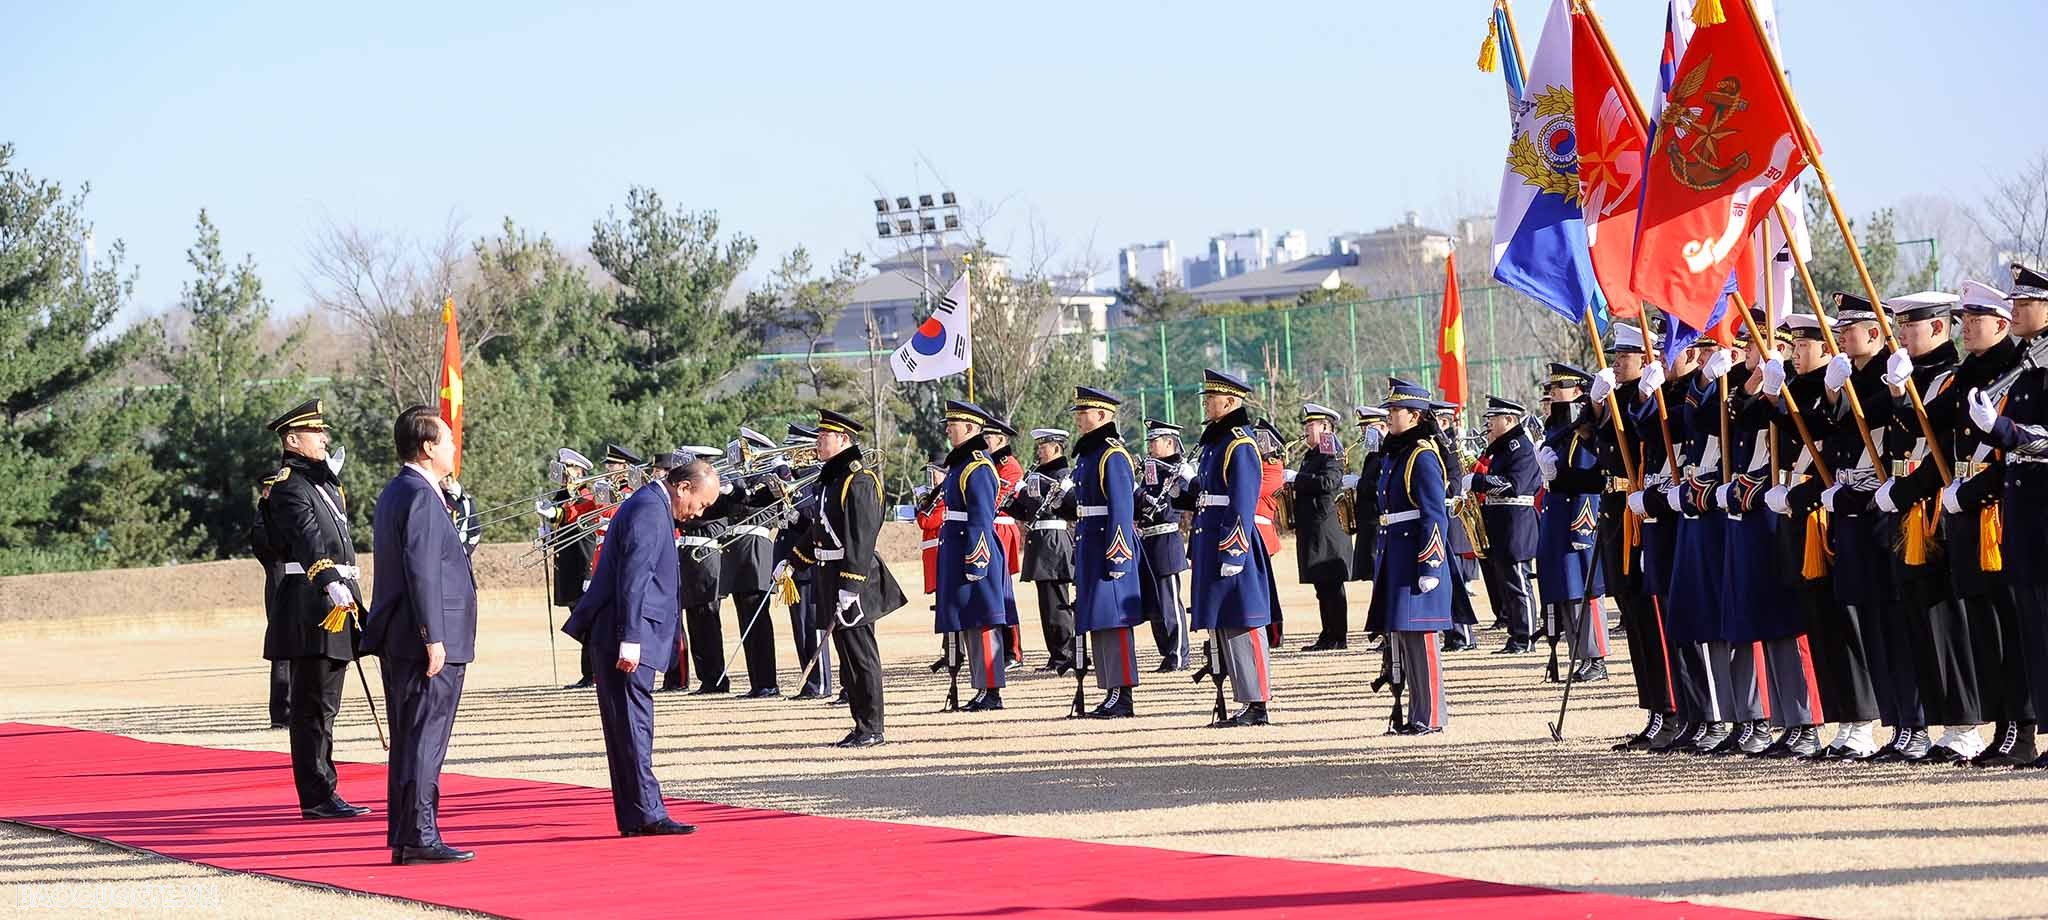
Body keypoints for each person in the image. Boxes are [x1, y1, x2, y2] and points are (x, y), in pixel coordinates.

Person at [1904, 281, 2035, 766]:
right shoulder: (1968, 375)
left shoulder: (2015, 371)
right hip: (1963, 511)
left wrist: (1974, 492)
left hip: (1997, 512)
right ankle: (2002, 727)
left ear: (2000, 323)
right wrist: (1900, 389)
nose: (1966, 327)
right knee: (1983, 628)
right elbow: (1923, 423)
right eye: (1963, 319)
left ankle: (2018, 730)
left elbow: (2016, 448)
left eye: (1975, 319)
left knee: (2008, 628)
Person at [565, 455, 722, 838]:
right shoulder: (650, 510)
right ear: (683, 487)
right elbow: (634, 577)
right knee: (634, 724)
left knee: (628, 725)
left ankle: (637, 814)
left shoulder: (649, 505)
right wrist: (630, 637)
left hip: (626, 630)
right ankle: (648, 813)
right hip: (626, 633)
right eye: (700, 503)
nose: (698, 512)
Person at [361, 406, 478, 865]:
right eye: (447, 441)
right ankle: (420, 835)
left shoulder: (400, 491)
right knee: (425, 739)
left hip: (404, 637)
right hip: (425, 640)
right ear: (427, 448)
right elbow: (422, 571)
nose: (453, 447)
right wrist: (433, 636)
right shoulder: (420, 496)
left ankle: (409, 835)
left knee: (412, 739)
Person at [258, 398, 370, 822]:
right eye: (315, 433)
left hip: (336, 598)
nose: (324, 439)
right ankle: (317, 794)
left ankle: (326, 787)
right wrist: (328, 580)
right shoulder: (288, 485)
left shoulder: (322, 484)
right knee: (313, 707)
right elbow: (307, 542)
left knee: (327, 706)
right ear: (292, 439)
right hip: (312, 606)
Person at [1967, 263, 2048, 768]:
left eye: (2024, 303)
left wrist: (2004, 431)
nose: (2014, 310)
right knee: (2033, 630)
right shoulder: (2026, 363)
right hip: (2023, 513)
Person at [785, 409, 905, 746]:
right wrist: (794, 561)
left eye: (825, 436)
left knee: (861, 654)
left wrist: (850, 586)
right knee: (847, 655)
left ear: (844, 440)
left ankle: (873, 727)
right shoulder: (832, 479)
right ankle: (860, 722)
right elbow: (818, 528)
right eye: (819, 435)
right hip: (830, 575)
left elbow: (861, 538)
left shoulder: (859, 480)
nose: (819, 442)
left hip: (853, 579)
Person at [1180, 369, 1279, 727]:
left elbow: (1242, 501)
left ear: (1230, 402)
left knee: (1244, 620)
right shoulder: (1216, 442)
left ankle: (1258, 702)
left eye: (1211, 398)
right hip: (1210, 540)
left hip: (1229, 543)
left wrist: (1234, 550)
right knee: (1223, 623)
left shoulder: (1239, 443)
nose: (1206, 403)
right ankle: (1243, 699)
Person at [1363, 378, 1452, 734]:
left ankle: (1430, 716)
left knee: (1423, 638)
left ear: (1415, 415)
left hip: (1416, 554)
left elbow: (1434, 512)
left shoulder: (1422, 455)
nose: (1390, 416)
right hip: (1396, 553)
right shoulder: (1397, 452)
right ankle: (1417, 713)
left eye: (1395, 410)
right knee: (1405, 638)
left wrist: (1431, 562)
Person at [1067, 387, 1144, 717]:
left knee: (1114, 621)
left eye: (1084, 414)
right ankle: (1110, 688)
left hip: (1107, 548)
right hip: (1090, 545)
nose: (1079, 420)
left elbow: (1122, 510)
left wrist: (1118, 554)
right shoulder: (1090, 455)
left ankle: (1122, 692)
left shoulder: (1112, 455)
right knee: (1099, 621)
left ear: (1102, 416)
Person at [933, 401, 1013, 711]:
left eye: (953, 425)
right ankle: (982, 687)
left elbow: (980, 517)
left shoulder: (978, 465)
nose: (947, 429)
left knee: (983, 620)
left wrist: (976, 560)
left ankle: (991, 691)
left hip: (973, 552)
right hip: (958, 549)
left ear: (970, 428)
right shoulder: (962, 463)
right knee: (969, 621)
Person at [1534, 364, 1610, 685]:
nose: (1551, 392)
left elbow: (1589, 480)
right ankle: (1578, 653)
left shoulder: (1583, 429)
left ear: (1578, 391)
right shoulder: (1559, 429)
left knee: (1586, 591)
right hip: (1556, 517)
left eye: (1558, 386)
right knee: (1565, 590)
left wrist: (1583, 527)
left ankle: (1596, 657)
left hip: (1576, 520)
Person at [1467, 396, 1540, 654]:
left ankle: (1526, 637)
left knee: (1518, 583)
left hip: (1516, 523)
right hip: (1502, 522)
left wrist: (1477, 482)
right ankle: (1516, 635)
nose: (1488, 424)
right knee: (1507, 583)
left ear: (1509, 419)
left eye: (1492, 419)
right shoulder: (1504, 446)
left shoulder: (1519, 445)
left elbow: (1514, 484)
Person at [1013, 428, 1078, 674]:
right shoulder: (1036, 475)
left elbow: (1070, 508)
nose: (1039, 451)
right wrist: (1013, 502)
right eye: (1039, 447)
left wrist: (1054, 494)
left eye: (1044, 447)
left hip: (1054, 541)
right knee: (1046, 606)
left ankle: (1066, 655)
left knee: (1057, 604)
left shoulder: (1064, 475)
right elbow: (1026, 512)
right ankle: (1055, 655)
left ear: (1057, 448)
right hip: (1039, 541)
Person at [1288, 404, 1353, 651]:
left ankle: (1338, 636)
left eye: (1311, 425)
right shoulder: (1312, 455)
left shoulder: (1331, 452)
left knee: (1332, 585)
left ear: (1325, 427)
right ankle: (1328, 634)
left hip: (1327, 529)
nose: (1306, 430)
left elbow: (1329, 481)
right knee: (1321, 586)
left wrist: (1297, 479)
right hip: (1314, 528)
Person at [777, 424, 832, 701]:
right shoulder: (792, 478)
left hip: (809, 562)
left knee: (813, 625)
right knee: (800, 627)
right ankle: (809, 682)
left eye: (794, 448)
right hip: (793, 562)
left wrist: (795, 513)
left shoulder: (815, 476)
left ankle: (820, 683)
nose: (790, 453)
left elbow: (815, 517)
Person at [538, 448, 600, 689]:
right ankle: (590, 672)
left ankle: (593, 672)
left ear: (580, 470)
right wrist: (545, 529)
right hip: (567, 566)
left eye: (570, 468)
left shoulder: (587, 495)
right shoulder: (563, 494)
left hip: (583, 565)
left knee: (586, 621)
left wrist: (553, 513)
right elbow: (558, 522)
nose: (566, 474)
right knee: (579, 620)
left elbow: (574, 515)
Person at [1136, 419, 1193, 671]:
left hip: (1166, 539)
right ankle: (1166, 653)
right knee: (1154, 605)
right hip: (1148, 539)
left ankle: (1178, 654)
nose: (1150, 446)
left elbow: (1178, 504)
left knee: (1169, 601)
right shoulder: (1152, 469)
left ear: (1170, 442)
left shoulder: (1177, 470)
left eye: (1154, 441)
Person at [986, 417, 1028, 668]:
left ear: (1001, 440)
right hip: (990, 528)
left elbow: (996, 500)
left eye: (987, 439)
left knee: (1003, 593)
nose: (983, 443)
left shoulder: (1009, 466)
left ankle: (1013, 651)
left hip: (1001, 529)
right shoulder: (989, 463)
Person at [249, 480, 291, 730]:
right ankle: (281, 713)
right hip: (278, 585)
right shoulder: (263, 518)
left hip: (298, 582)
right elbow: (265, 549)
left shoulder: (289, 511)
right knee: (282, 651)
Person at [1348, 406, 1390, 626]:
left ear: (1383, 427)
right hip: (1369, 523)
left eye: (1368, 428)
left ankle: (1385, 629)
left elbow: (1381, 487)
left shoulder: (1386, 452)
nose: (1364, 433)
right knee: (1375, 578)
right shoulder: (1373, 455)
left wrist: (1359, 483)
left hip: (1378, 522)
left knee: (1381, 577)